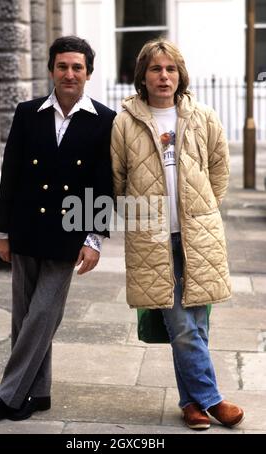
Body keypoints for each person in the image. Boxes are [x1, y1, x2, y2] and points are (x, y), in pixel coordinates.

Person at [111, 38, 244, 430]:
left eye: (170, 69)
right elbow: (118, 179)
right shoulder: (125, 121)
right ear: (143, 76)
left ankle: (191, 404)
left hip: (198, 234)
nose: (163, 76)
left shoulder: (202, 115)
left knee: (197, 325)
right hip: (153, 239)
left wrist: (201, 209)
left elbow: (219, 170)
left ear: (180, 74)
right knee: (182, 325)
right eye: (155, 69)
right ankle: (214, 400)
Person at [0, 36, 116, 421]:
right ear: (51, 70)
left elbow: (102, 183)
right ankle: (38, 392)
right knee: (23, 315)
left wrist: (92, 238)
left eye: (77, 67)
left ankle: (9, 394)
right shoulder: (28, 112)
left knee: (43, 313)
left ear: (88, 74)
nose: (69, 73)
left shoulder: (105, 120)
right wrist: (3, 231)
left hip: (67, 232)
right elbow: (10, 172)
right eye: (62, 66)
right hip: (26, 227)